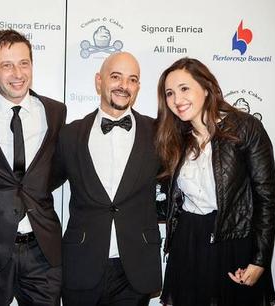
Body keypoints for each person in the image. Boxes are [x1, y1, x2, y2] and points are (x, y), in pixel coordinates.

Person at [156, 57, 275, 306]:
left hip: (234, 241)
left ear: (206, 88)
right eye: (169, 93)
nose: (177, 100)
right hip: (189, 240)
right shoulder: (175, 137)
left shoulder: (245, 128)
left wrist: (259, 259)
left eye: (184, 88)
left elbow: (266, 199)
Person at [52, 52, 162, 306]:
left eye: (132, 80)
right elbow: (43, 186)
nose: (124, 86)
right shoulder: (70, 135)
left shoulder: (157, 133)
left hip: (135, 268)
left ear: (137, 87)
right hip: (82, 264)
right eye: (116, 77)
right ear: (98, 81)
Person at [0, 29, 66, 306]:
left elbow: (55, 169)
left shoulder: (56, 112)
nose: (17, 73)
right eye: (6, 65)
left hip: (43, 249)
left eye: (24, 63)